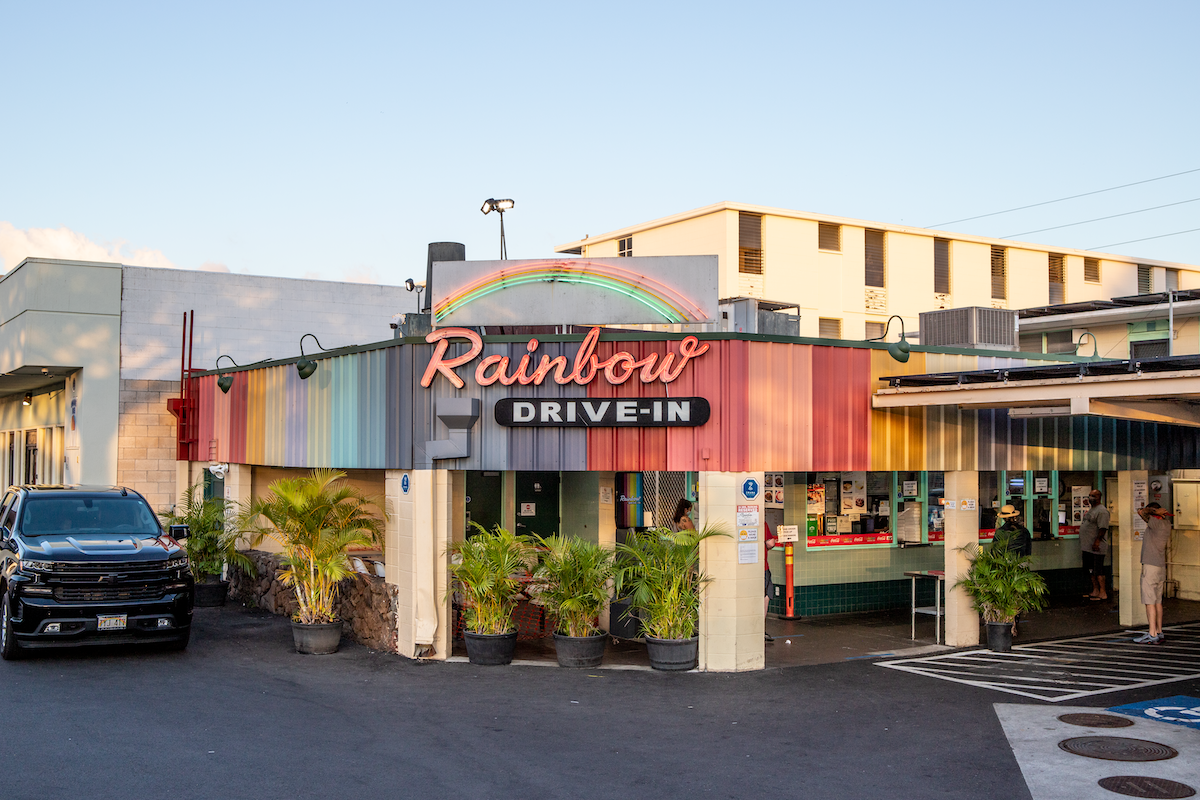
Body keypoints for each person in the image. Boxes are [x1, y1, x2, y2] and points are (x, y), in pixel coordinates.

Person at [1135, 502, 1172, 644]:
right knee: (1157, 601)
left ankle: (1152, 633)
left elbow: (1141, 512)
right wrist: (1156, 512)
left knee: (1149, 601)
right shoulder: (1167, 524)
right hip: (1160, 566)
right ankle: (1159, 630)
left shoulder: (1154, 524)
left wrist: (1153, 511)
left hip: (1150, 566)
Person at [992, 504, 1032, 635]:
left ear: (1003, 518)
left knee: (1005, 594)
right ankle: (1016, 619)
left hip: (1003, 567)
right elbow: (1028, 551)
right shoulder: (1024, 531)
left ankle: (1007, 621)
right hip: (1019, 565)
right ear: (1015, 516)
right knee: (1018, 595)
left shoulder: (999, 532)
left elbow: (994, 551)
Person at [1079, 489, 1111, 601]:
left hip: (1096, 547)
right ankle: (1095, 590)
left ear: (1099, 497)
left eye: (1094, 496)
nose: (1091, 498)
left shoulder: (1102, 511)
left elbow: (1103, 528)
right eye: (1090, 495)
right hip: (1087, 547)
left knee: (1098, 570)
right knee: (1091, 570)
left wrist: (1097, 541)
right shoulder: (1091, 510)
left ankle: (1103, 592)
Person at [763, 521, 778, 642]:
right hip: (762, 568)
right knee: (765, 596)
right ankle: (759, 629)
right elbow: (770, 543)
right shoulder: (761, 522)